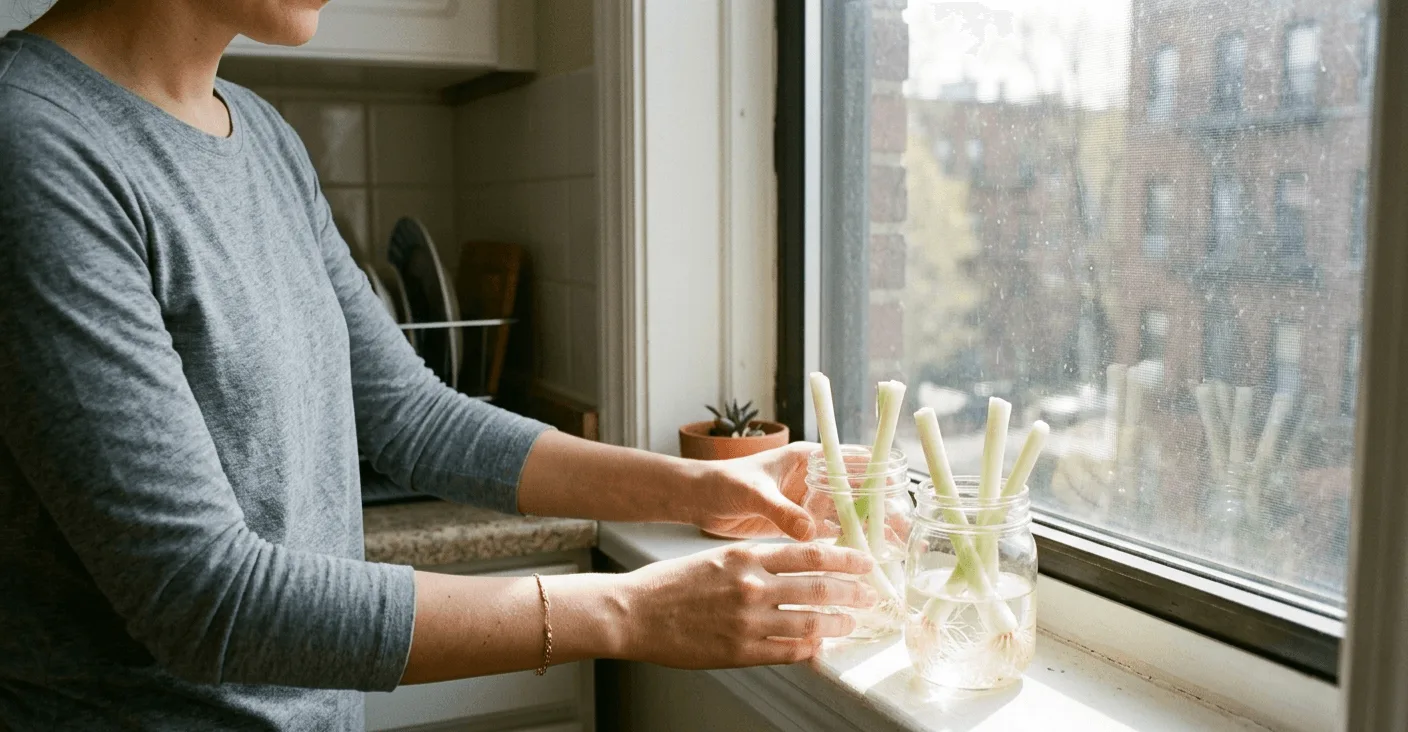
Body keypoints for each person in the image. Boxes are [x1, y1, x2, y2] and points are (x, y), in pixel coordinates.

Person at [0, 1, 878, 729]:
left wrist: (709, 490)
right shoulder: (35, 145)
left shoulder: (262, 135)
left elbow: (408, 416)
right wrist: (630, 611)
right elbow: (204, 600)